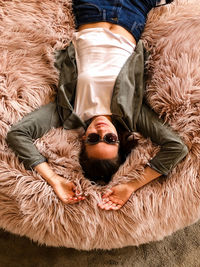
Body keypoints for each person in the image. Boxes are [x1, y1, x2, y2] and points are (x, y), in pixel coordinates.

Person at [6, 0, 188, 211]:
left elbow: (17, 135)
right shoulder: (133, 116)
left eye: (94, 139)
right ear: (119, 139)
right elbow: (177, 148)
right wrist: (131, 186)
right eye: (109, 140)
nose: (101, 131)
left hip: (92, 9)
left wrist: (55, 180)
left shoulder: (68, 112)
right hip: (132, 15)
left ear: (84, 138)